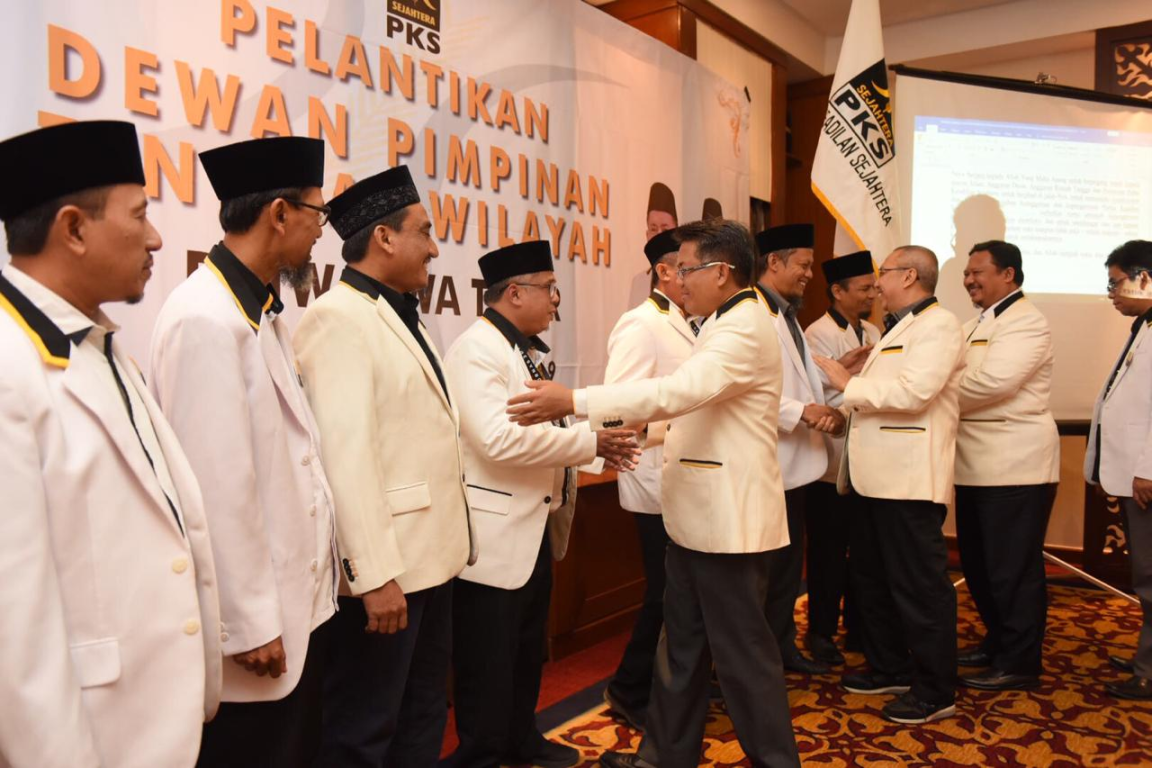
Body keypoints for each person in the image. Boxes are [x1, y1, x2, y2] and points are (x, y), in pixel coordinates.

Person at [508, 220, 800, 768]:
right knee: (680, 649)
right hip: (697, 517)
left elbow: (678, 392)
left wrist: (574, 399)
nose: (678, 279)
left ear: (722, 272)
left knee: (743, 660)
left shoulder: (743, 324)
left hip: (727, 524)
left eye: (688, 269)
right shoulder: (719, 319)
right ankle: (662, 759)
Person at [0, 120, 222, 766]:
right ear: (73, 228)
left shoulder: (96, 343)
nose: (156, 237)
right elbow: (17, 633)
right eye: (140, 215)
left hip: (154, 724)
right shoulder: (11, 369)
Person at [149, 137, 339, 767]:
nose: (321, 232)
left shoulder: (262, 310)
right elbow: (214, 488)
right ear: (280, 214)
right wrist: (249, 623)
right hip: (259, 630)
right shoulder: (204, 318)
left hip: (296, 609)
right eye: (318, 213)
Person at [292, 165, 476, 765]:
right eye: (423, 231)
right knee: (364, 731)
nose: (434, 246)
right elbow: (346, 458)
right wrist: (372, 576)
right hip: (390, 574)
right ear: (385, 238)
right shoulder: (336, 319)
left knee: (423, 717)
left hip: (433, 562)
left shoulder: (408, 315)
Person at [442, 240, 639, 768]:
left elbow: (551, 427)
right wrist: (591, 444)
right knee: (488, 658)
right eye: (549, 289)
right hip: (493, 535)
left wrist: (601, 438)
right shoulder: (476, 350)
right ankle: (481, 753)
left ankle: (520, 739)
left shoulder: (527, 349)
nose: (556, 301)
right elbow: (497, 440)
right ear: (513, 293)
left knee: (526, 651)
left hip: (533, 528)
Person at [815, 245, 964, 725]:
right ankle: (890, 667)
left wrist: (845, 380)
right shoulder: (898, 328)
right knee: (873, 580)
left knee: (920, 587)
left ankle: (936, 690)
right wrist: (853, 384)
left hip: (907, 481)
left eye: (884, 273)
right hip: (873, 480)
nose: (877, 282)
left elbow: (914, 393)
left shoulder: (939, 325)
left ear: (911, 275)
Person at [601, 228, 698, 731]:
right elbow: (616, 411)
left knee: (678, 597)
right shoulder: (640, 325)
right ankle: (629, 689)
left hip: (685, 482)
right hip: (654, 480)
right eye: (691, 267)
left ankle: (660, 687)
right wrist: (680, 423)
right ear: (664, 270)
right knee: (663, 595)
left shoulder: (688, 322)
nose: (699, 277)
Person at [953, 241, 1059, 691]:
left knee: (1011, 569)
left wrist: (930, 391)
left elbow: (992, 383)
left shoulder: (1027, 323)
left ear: (1009, 275)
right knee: (979, 566)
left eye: (979, 272)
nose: (969, 279)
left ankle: (1019, 660)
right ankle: (998, 641)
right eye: (967, 272)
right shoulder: (977, 322)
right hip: (975, 465)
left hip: (1015, 467)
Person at [753, 223, 843, 675]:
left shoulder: (786, 314)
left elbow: (798, 375)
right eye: (804, 265)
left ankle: (783, 647)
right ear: (774, 263)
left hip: (796, 465)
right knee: (767, 575)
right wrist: (801, 412)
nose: (811, 274)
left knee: (788, 571)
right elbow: (746, 390)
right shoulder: (753, 314)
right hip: (770, 463)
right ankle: (765, 659)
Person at [803, 250, 879, 665]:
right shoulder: (817, 333)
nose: (872, 294)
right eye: (864, 288)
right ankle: (821, 631)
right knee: (828, 552)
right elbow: (816, 395)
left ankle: (859, 626)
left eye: (873, 286)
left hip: (864, 455)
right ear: (837, 290)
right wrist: (847, 376)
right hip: (829, 460)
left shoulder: (872, 329)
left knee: (862, 548)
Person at [1085, 239, 1152, 701]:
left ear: (1144, 277)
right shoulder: (1144, 325)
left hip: (1147, 477)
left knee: (1150, 575)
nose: (1110, 292)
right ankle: (1147, 655)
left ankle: (1149, 670)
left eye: (1115, 282)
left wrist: (1149, 469)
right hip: (1134, 473)